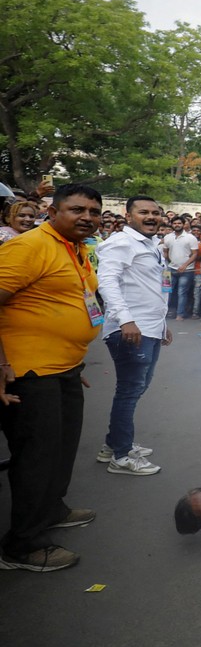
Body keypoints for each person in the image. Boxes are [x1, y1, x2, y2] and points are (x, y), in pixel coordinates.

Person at [0, 184, 104, 572]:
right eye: (77, 209)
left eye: (94, 211)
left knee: (62, 448)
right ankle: (21, 546)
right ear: (53, 211)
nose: (87, 218)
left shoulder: (74, 249)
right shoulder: (29, 246)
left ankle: (50, 510)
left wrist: (72, 359)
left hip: (63, 370)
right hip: (28, 373)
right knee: (36, 459)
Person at [94, 196, 172, 476]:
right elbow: (107, 282)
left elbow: (152, 287)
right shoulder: (120, 243)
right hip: (130, 329)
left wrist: (162, 326)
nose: (151, 217)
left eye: (155, 212)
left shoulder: (150, 245)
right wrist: (126, 320)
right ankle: (122, 456)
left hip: (149, 328)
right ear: (128, 217)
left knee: (137, 388)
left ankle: (113, 444)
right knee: (129, 392)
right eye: (143, 212)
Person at [161, 217, 197, 319]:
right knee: (166, 291)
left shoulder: (191, 237)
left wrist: (184, 265)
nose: (177, 225)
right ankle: (164, 313)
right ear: (172, 224)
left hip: (187, 270)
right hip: (169, 269)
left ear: (183, 224)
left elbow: (195, 254)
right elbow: (165, 252)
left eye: (179, 223)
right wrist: (170, 262)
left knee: (182, 292)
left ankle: (180, 314)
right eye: (175, 223)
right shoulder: (167, 237)